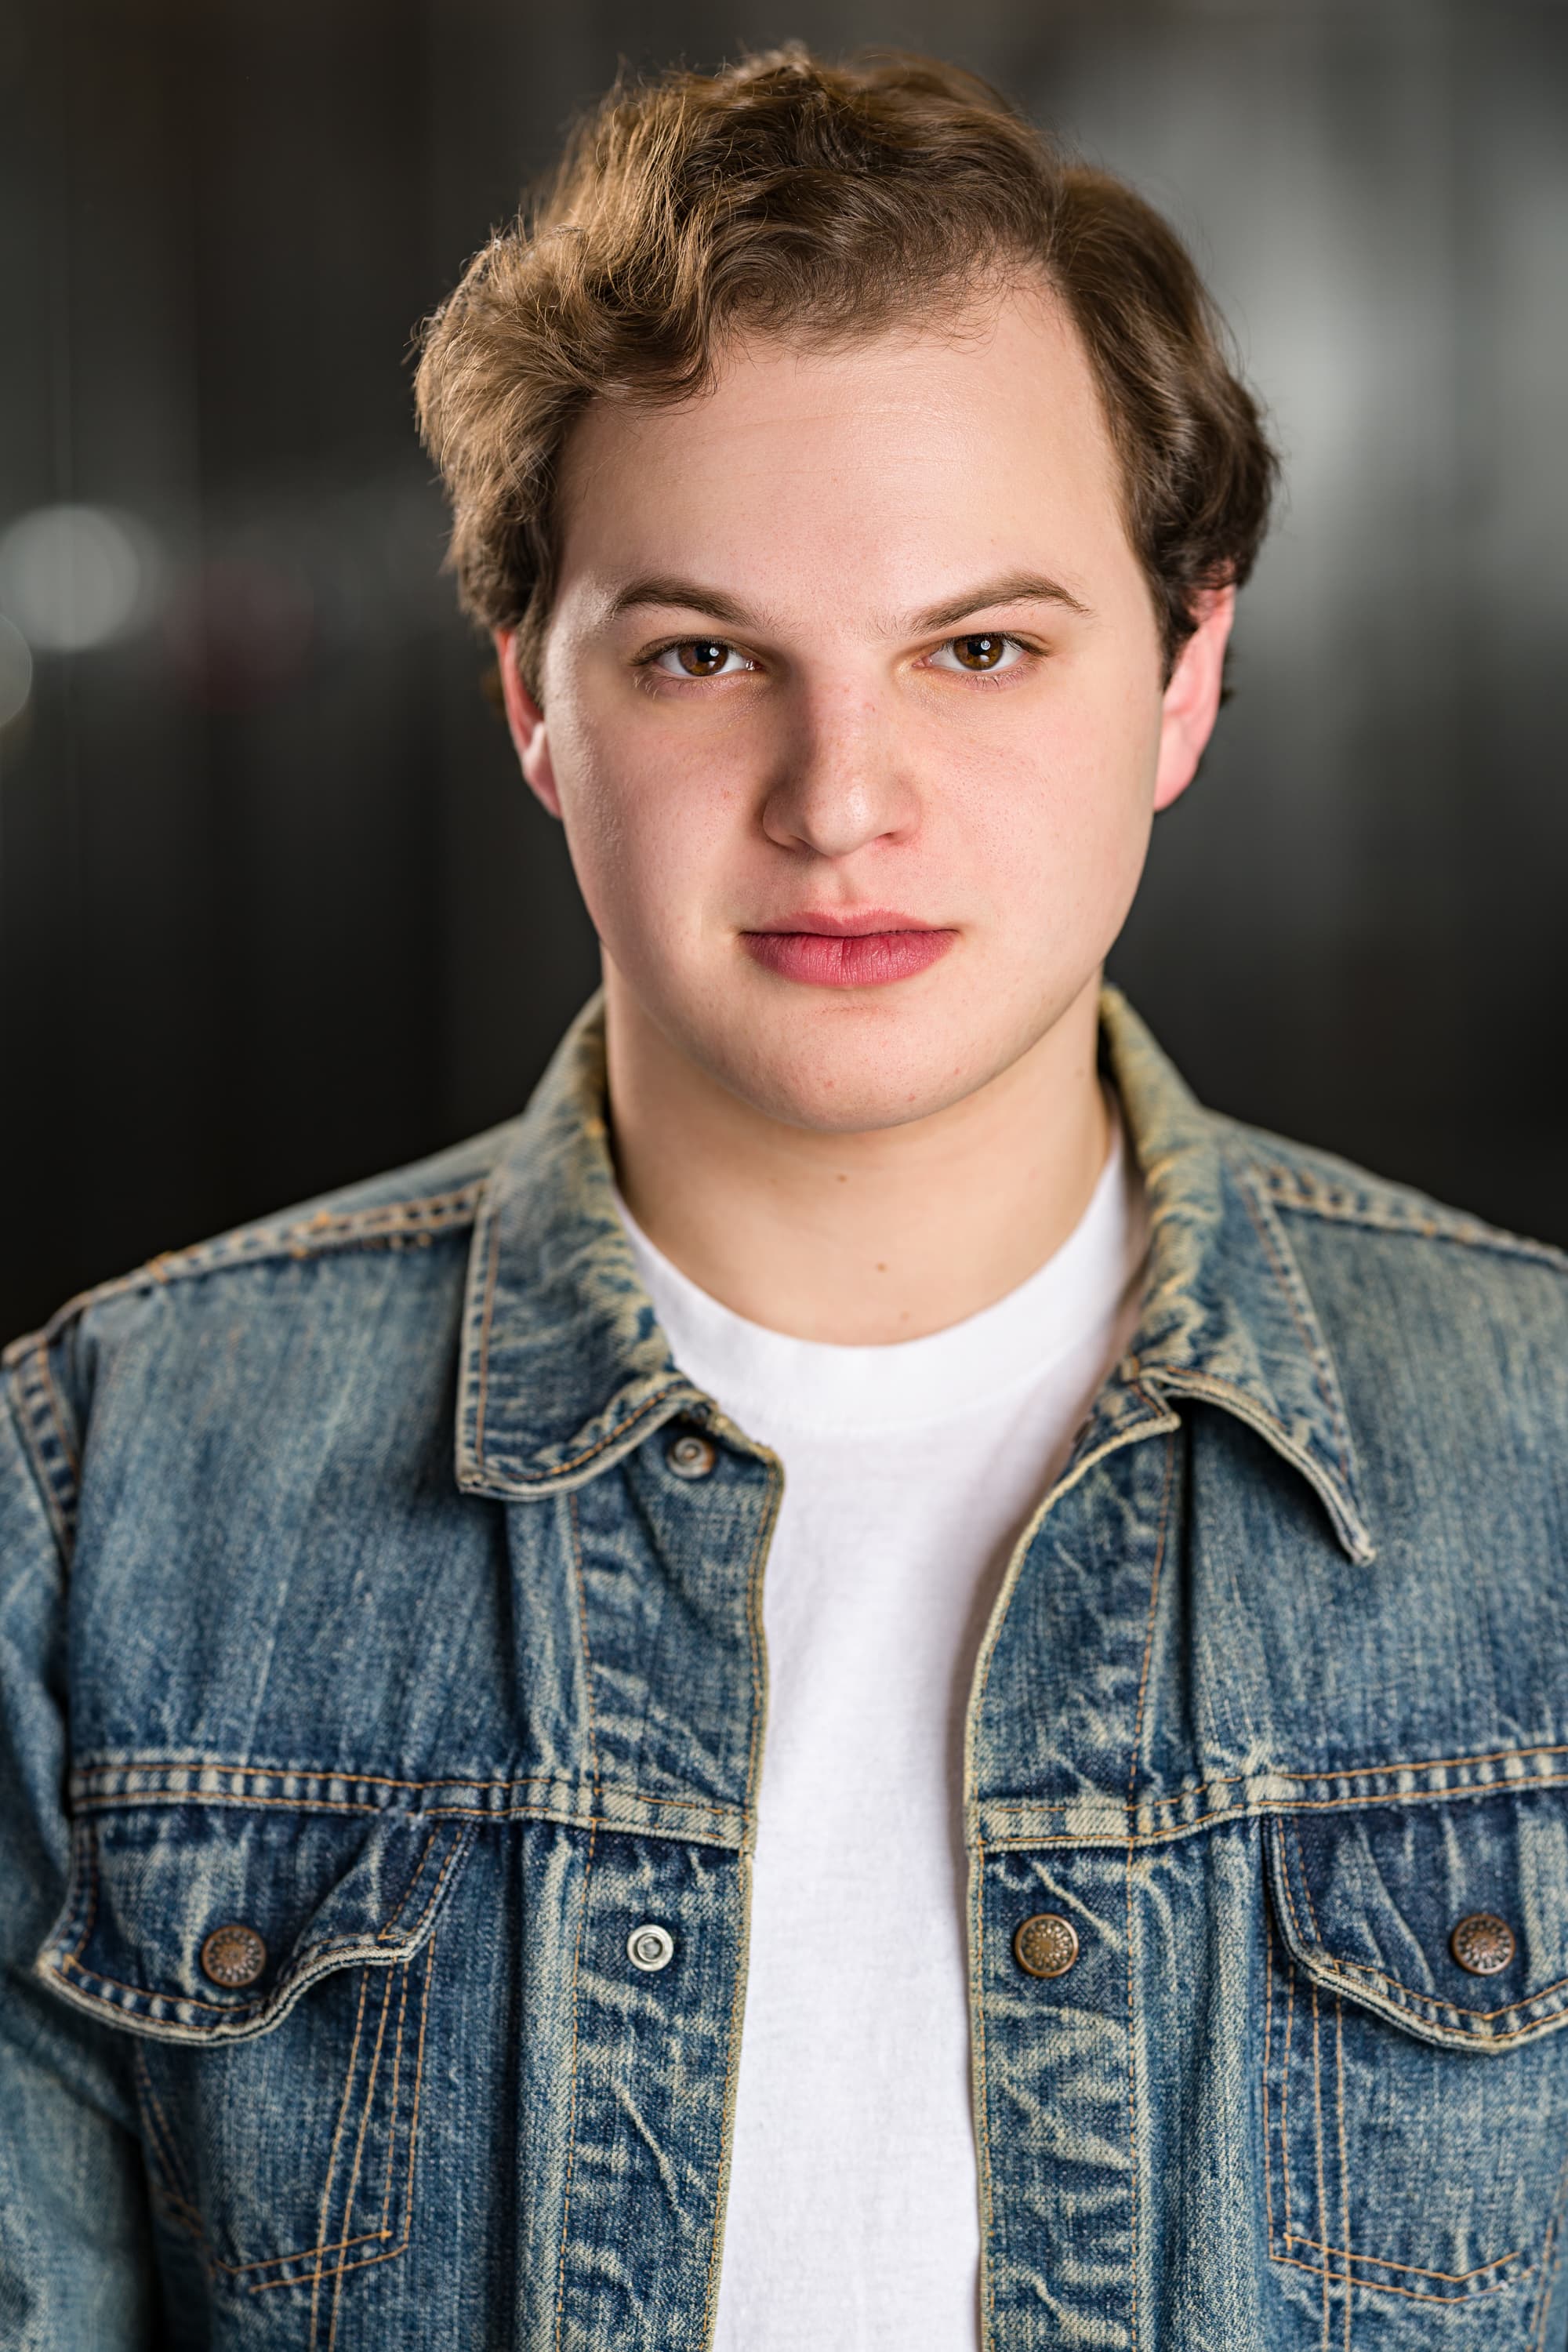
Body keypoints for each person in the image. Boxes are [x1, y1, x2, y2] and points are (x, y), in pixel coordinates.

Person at [3, 42, 1566, 2352]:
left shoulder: (1544, 1467)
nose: (845, 799)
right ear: (534, 702)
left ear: (1184, 677)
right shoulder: (98, 1494)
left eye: (983, 648)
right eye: (707, 653)